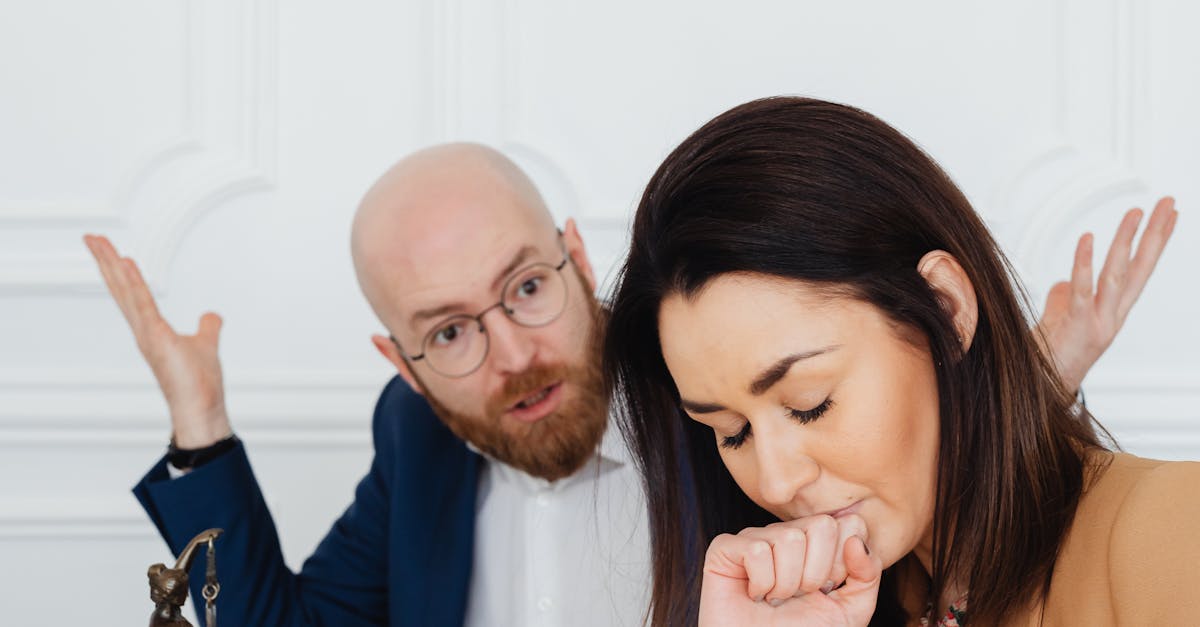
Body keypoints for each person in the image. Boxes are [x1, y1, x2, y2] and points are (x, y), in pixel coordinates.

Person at [84, 139, 1169, 626]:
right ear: (402, 370)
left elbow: (911, 525)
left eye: (525, 290)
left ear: (572, 255)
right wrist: (202, 431)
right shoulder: (415, 443)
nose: (512, 355)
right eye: (450, 332)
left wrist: (1013, 389)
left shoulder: (707, 382)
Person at [602, 96, 1189, 626]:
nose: (777, 483)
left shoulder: (1168, 534)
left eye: (811, 404)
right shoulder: (854, 602)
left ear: (945, 306)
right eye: (731, 434)